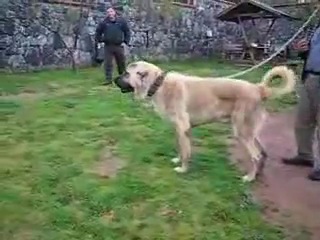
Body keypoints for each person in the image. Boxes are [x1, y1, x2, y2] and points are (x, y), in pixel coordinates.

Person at [282, 23, 320, 181]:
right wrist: (303, 51)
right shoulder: (317, 26)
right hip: (310, 77)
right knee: (303, 120)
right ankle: (305, 155)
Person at [95, 7, 130, 85]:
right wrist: (100, 40)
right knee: (108, 63)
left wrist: (125, 42)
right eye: (108, 12)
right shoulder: (104, 22)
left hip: (119, 45)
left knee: (121, 62)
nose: (109, 13)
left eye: (111, 11)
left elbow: (127, 31)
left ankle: (123, 78)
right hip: (108, 46)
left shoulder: (121, 22)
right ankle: (108, 80)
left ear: (114, 12)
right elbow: (98, 32)